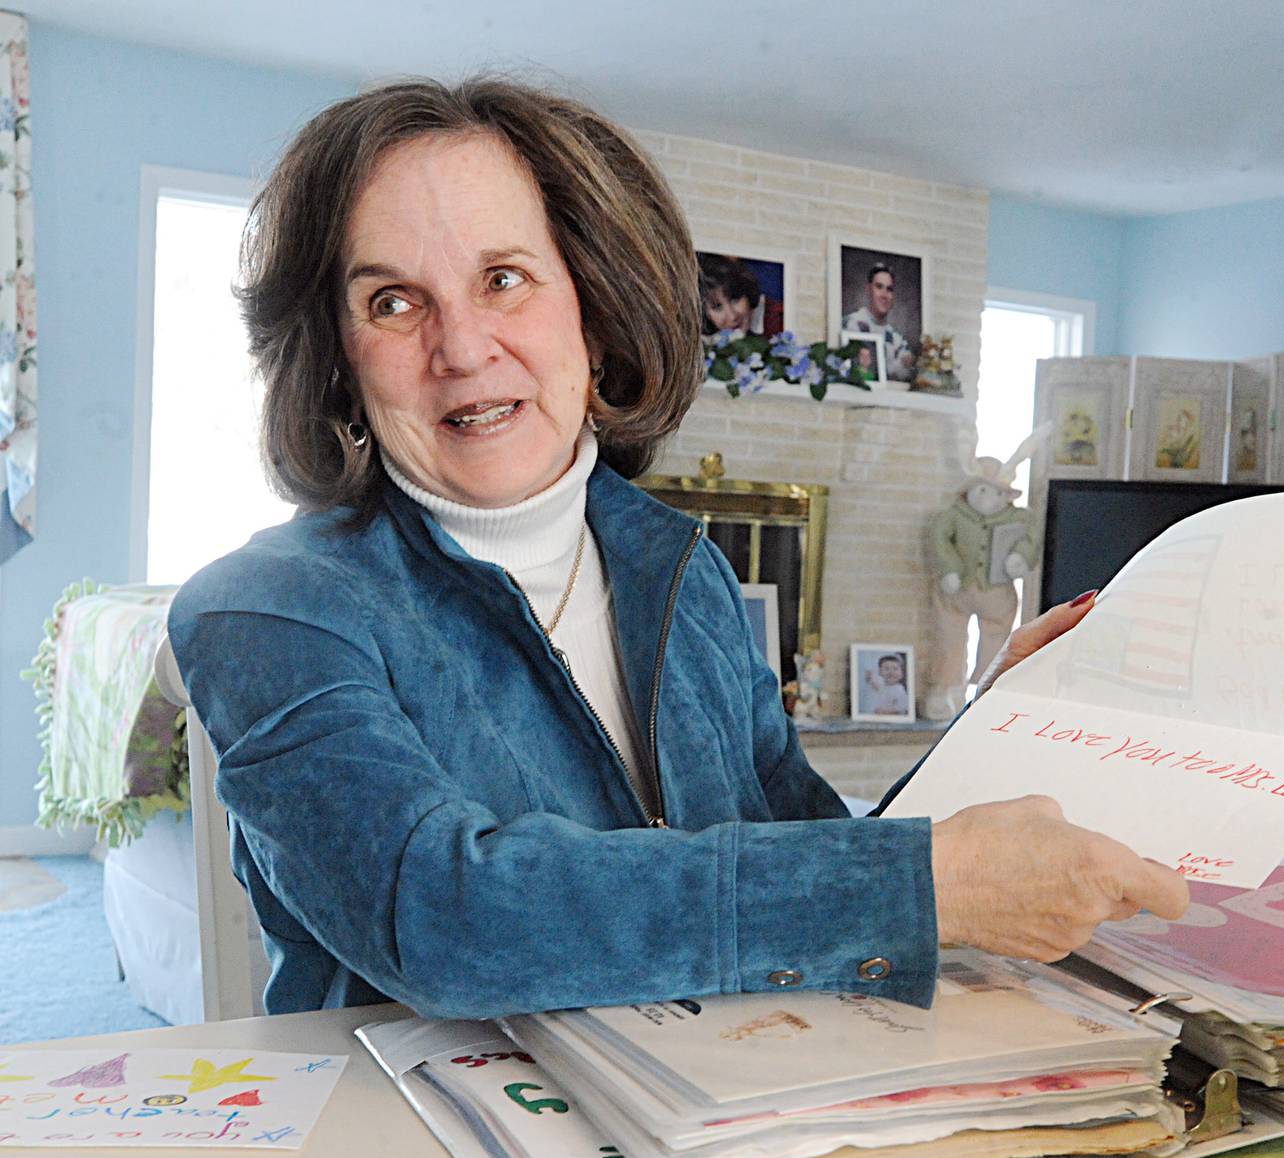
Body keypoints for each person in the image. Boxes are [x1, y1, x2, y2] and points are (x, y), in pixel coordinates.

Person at [168, 77, 1188, 1022]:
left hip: (721, 1140)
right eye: (393, 301)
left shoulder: (683, 571)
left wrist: (987, 742)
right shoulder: (263, 611)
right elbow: (449, 918)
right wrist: (940, 880)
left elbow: (799, 849)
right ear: (338, 360)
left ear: (596, 312)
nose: (462, 347)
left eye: (505, 279)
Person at [841, 262, 916, 381]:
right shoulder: (852, 323)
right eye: (879, 287)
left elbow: (905, 377)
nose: (884, 295)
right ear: (868, 289)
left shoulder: (897, 339)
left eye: (889, 289)